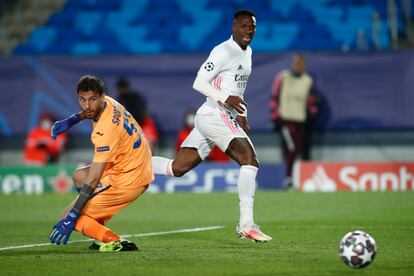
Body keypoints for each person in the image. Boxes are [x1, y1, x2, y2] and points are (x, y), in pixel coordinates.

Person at [152, 9, 271, 242]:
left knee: (178, 168)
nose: (249, 31)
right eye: (245, 26)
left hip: (214, 115)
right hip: (215, 113)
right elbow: (199, 82)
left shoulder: (248, 53)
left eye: (253, 27)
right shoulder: (223, 51)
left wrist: (242, 113)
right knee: (250, 160)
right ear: (233, 27)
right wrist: (226, 101)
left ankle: (135, 163)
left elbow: (237, 89)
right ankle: (246, 224)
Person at [49, 75, 153, 252]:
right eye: (82, 100)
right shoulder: (109, 103)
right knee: (79, 176)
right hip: (133, 163)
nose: (87, 106)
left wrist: (73, 215)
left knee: (68, 216)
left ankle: (114, 240)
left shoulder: (105, 131)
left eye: (92, 100)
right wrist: (73, 119)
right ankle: (97, 230)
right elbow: (90, 112)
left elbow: (94, 178)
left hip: (128, 177)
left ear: (102, 97)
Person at [269, 53, 318, 189]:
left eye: (301, 64)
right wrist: (275, 116)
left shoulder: (307, 80)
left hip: (300, 120)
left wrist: (313, 113)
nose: (298, 66)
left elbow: (310, 101)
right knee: (292, 147)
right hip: (285, 120)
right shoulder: (283, 77)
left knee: (298, 149)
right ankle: (288, 178)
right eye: (296, 63)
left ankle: (295, 177)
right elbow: (275, 95)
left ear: (305, 65)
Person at [116, 77, 158, 150]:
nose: (122, 91)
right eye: (120, 89)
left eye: (123, 88)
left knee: (148, 147)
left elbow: (139, 114)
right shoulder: (120, 99)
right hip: (130, 127)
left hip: (143, 125)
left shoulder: (135, 97)